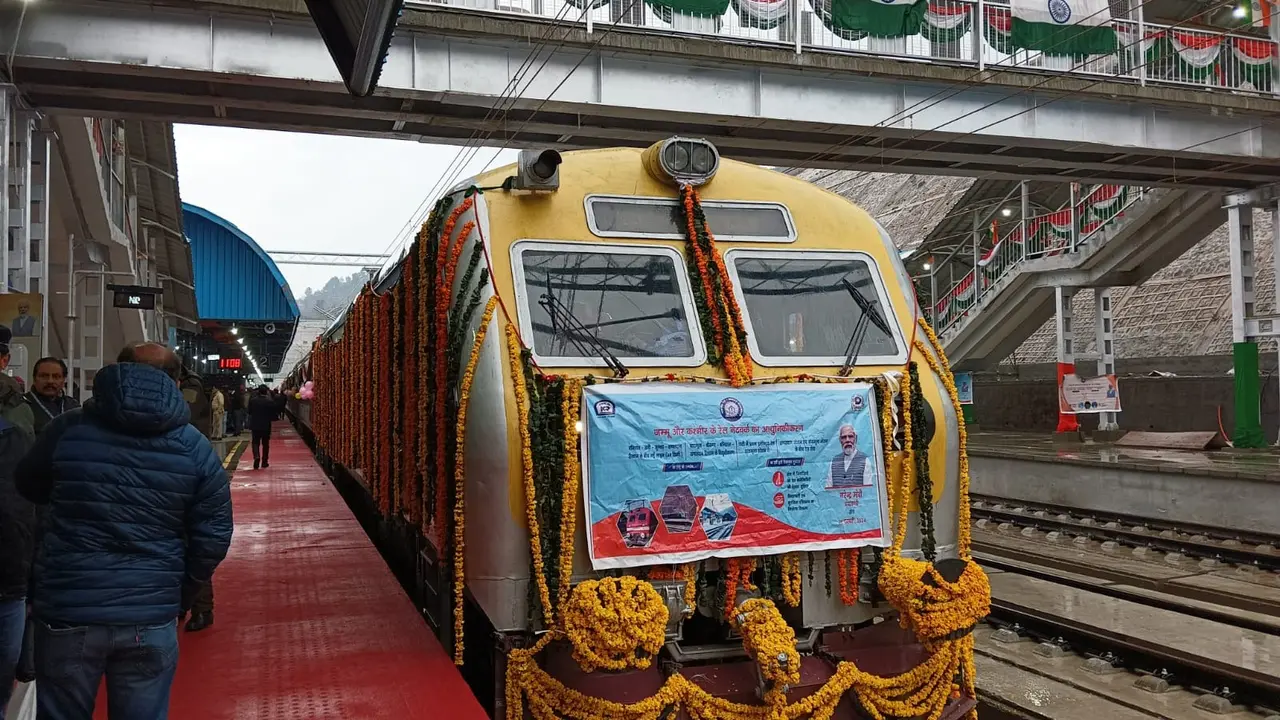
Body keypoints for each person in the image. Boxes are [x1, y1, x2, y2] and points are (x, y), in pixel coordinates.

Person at [15, 342, 233, 720]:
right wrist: (179, 593)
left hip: (69, 607)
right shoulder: (193, 447)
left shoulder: (67, 428)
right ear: (178, 381)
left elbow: (29, 486)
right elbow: (213, 535)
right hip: (149, 616)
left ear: (117, 369)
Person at [0, 374, 35, 717]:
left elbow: (31, 511)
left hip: (10, 583)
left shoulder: (18, 441)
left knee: (4, 679)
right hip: (12, 580)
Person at [25, 357, 81, 435]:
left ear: (63, 380)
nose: (50, 381)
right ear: (34, 379)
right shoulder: (22, 405)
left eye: (56, 376)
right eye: (44, 376)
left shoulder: (73, 406)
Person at [825, 424, 875, 489]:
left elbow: (867, 490)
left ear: (855, 438)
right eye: (844, 437)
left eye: (850, 436)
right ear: (840, 440)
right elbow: (828, 489)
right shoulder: (834, 461)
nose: (847, 440)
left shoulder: (865, 460)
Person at [247, 386, 279, 470]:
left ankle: (256, 456)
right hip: (266, 425)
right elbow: (274, 413)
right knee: (265, 444)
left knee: (255, 442)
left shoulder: (253, 401)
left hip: (255, 425)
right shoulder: (270, 401)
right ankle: (264, 462)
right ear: (266, 392)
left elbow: (249, 412)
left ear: (258, 392)